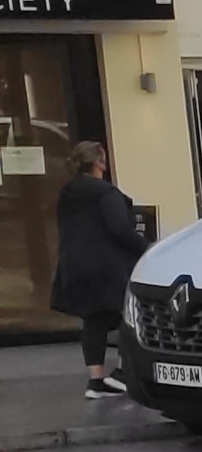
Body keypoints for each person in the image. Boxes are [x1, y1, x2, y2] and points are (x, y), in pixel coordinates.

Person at [49, 139, 145, 399]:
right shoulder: (105, 193)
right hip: (106, 266)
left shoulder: (67, 194)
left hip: (74, 265)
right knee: (129, 316)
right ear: (99, 162)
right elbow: (120, 231)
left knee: (94, 319)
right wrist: (148, 249)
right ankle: (123, 374)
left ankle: (97, 381)